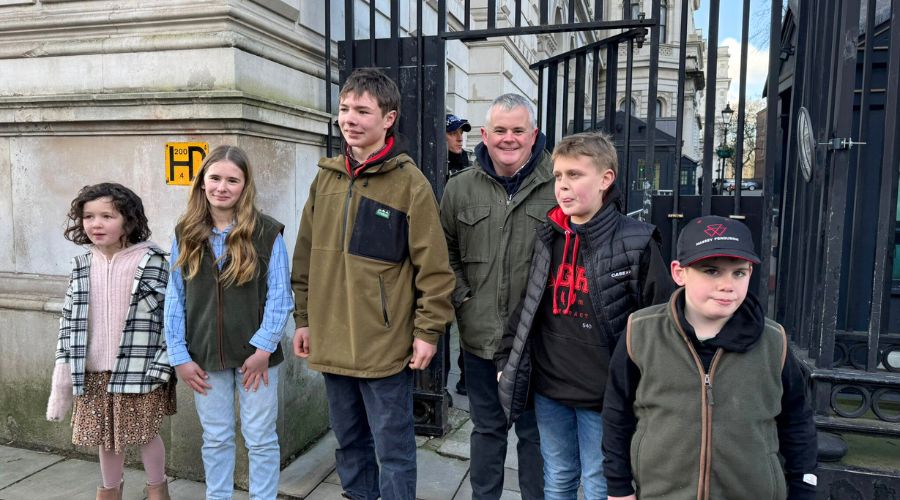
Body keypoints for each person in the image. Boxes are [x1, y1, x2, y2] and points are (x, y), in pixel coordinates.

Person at [291, 67, 455, 500]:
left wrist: (427, 331)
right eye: (345, 109)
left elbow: (435, 270)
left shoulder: (410, 184)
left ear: (388, 119)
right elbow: (304, 257)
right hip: (330, 340)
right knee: (348, 444)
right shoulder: (325, 178)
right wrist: (303, 319)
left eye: (363, 110)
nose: (350, 118)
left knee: (394, 451)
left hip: (383, 346)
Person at [494, 132, 673, 499]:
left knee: (598, 482)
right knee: (557, 477)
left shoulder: (637, 241)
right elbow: (528, 304)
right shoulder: (549, 236)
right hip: (551, 387)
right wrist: (506, 358)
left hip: (605, 393)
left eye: (575, 175)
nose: (563, 186)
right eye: (558, 176)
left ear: (605, 179)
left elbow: (660, 322)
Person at [602, 216, 819, 500]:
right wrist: (619, 488)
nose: (727, 285)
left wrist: (804, 488)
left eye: (739, 273)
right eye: (712, 271)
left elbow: (798, 420)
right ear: (679, 273)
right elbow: (617, 414)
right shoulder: (640, 332)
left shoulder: (773, 341)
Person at [440, 93, 556, 499]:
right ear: (486, 135)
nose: (509, 139)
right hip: (480, 339)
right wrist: (464, 300)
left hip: (537, 343)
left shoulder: (558, 185)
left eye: (518, 130)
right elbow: (445, 251)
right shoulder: (459, 188)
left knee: (535, 436)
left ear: (533, 134)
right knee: (487, 431)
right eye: (500, 130)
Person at [165, 145, 292, 500]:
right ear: (202, 183)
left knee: (261, 437)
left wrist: (264, 348)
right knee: (217, 436)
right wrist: (179, 355)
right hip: (203, 355)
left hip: (256, 359)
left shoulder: (266, 232)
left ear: (244, 185)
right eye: (215, 178)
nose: (223, 187)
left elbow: (280, 297)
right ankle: (217, 496)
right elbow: (175, 296)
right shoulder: (185, 232)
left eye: (232, 180)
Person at [47, 183, 176, 500]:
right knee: (105, 439)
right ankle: (109, 492)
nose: (96, 224)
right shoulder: (81, 266)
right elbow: (69, 322)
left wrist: (162, 367)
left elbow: (172, 318)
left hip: (140, 370)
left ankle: (157, 489)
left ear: (129, 221)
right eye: (88, 216)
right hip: (93, 371)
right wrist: (62, 378)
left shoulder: (153, 261)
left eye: (107, 215)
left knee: (146, 433)